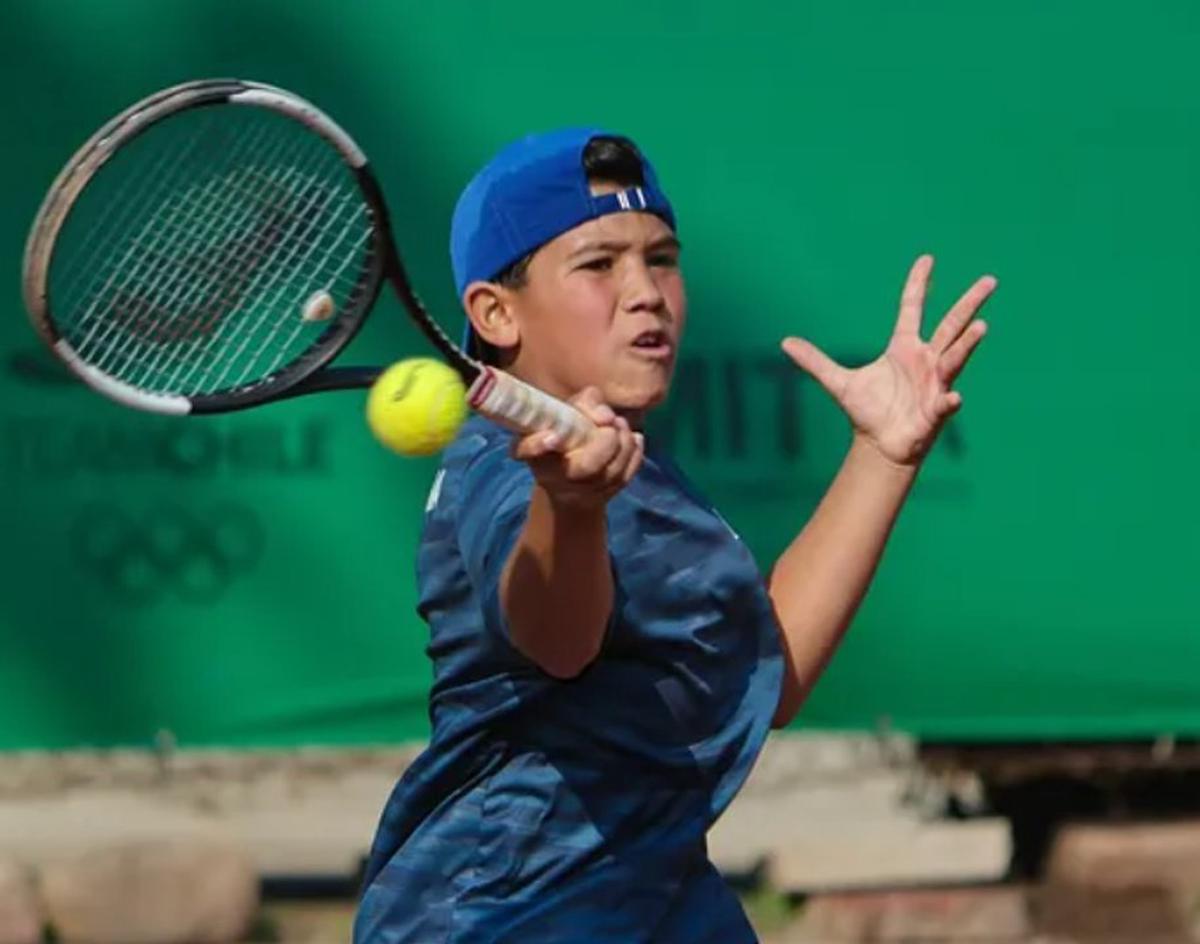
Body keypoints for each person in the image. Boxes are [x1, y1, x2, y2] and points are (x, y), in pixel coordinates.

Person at [354, 128, 993, 943]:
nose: (646, 290)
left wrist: (882, 452)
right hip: (507, 917)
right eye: (598, 264)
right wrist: (570, 510)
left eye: (661, 257)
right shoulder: (505, 470)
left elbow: (766, 671)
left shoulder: (631, 465)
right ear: (495, 312)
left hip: (653, 898)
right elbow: (554, 638)